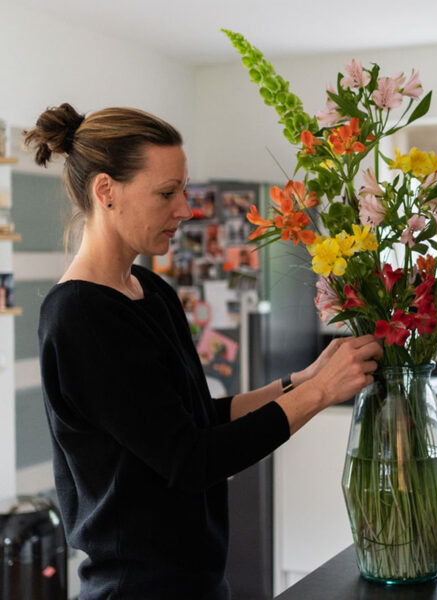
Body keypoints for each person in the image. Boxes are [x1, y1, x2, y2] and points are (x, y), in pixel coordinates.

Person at [26, 103, 383, 600]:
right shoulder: (81, 317)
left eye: (184, 190)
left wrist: (299, 381)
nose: (185, 210)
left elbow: (195, 420)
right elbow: (190, 460)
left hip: (198, 582)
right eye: (167, 193)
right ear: (106, 191)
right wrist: (319, 394)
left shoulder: (150, 290)